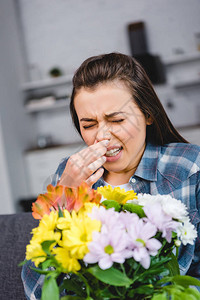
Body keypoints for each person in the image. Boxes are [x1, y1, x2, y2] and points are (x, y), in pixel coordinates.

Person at [22, 52, 200, 299]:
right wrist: (65, 195)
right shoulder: (68, 175)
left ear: (148, 114)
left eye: (116, 119)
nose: (102, 136)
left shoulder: (190, 167)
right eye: (88, 125)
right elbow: (38, 291)